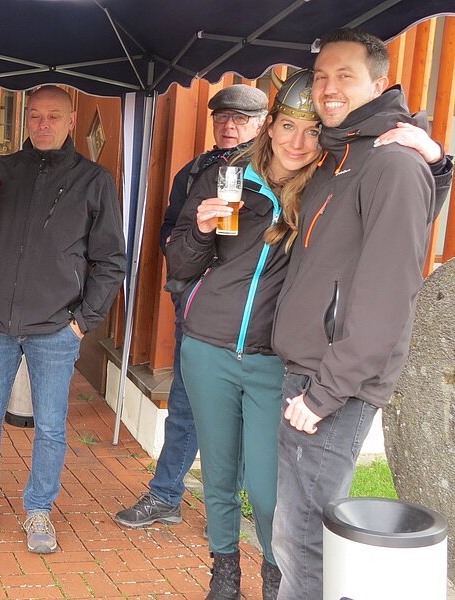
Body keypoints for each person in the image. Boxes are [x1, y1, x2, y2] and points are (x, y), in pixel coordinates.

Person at [271, 29, 452, 600]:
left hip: (332, 385)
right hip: (309, 372)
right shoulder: (342, 155)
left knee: (304, 541)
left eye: (345, 75)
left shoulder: (391, 162)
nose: (328, 87)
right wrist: (442, 168)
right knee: (294, 533)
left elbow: (386, 295)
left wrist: (324, 394)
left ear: (379, 83)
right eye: (321, 75)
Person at [0, 85, 126, 554]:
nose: (43, 125)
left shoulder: (94, 179)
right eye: (36, 116)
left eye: (54, 116)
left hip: (56, 326)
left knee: (50, 427)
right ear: (25, 120)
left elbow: (111, 260)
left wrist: (85, 320)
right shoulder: (2, 170)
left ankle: (39, 510)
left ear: (72, 119)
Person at [166, 71, 318, 600]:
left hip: (274, 359)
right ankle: (224, 568)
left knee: (269, 486)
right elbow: (180, 256)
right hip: (208, 347)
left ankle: (275, 573)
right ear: (270, 127)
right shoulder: (228, 176)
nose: (298, 142)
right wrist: (201, 229)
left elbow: (401, 209)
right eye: (289, 126)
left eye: (313, 130)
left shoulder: (324, 189)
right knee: (220, 472)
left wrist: (434, 164)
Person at [116, 84, 268, 529]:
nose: (229, 126)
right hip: (197, 305)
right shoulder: (195, 170)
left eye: (240, 119)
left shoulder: (274, 170)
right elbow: (170, 225)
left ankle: (232, 501)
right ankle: (166, 496)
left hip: (252, 312)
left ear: (261, 124)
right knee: (185, 403)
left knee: (243, 408)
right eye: (221, 117)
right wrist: (178, 258)